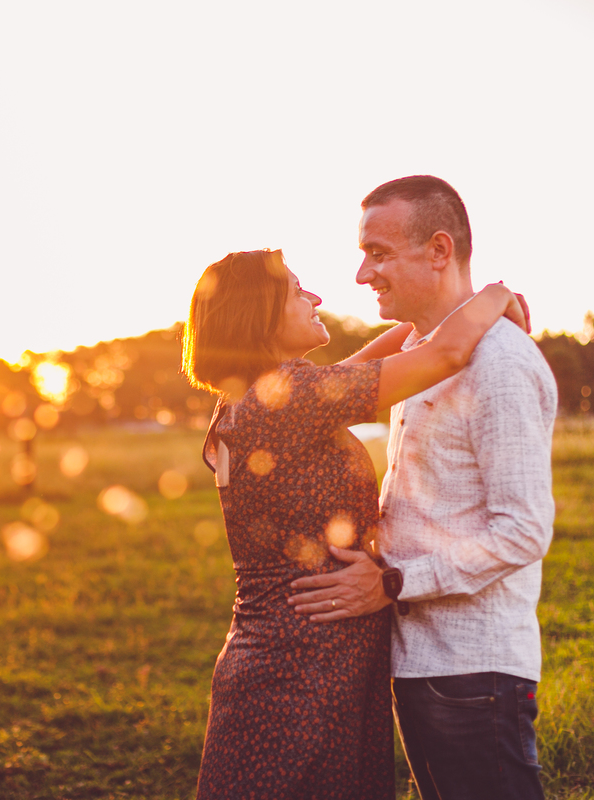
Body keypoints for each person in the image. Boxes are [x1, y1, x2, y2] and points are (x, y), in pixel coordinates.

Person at [184, 248, 529, 800]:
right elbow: (445, 354)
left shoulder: (259, 399)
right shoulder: (286, 401)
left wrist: (431, 314)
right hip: (302, 670)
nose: (315, 297)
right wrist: (495, 295)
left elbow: (372, 361)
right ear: (260, 312)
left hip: (292, 658)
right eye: (297, 290)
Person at [288, 176, 558, 800]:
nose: (363, 274)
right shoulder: (421, 352)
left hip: (474, 671)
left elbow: (523, 532)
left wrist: (392, 582)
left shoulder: (500, 364)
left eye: (378, 253)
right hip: (421, 661)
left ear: (439, 250)